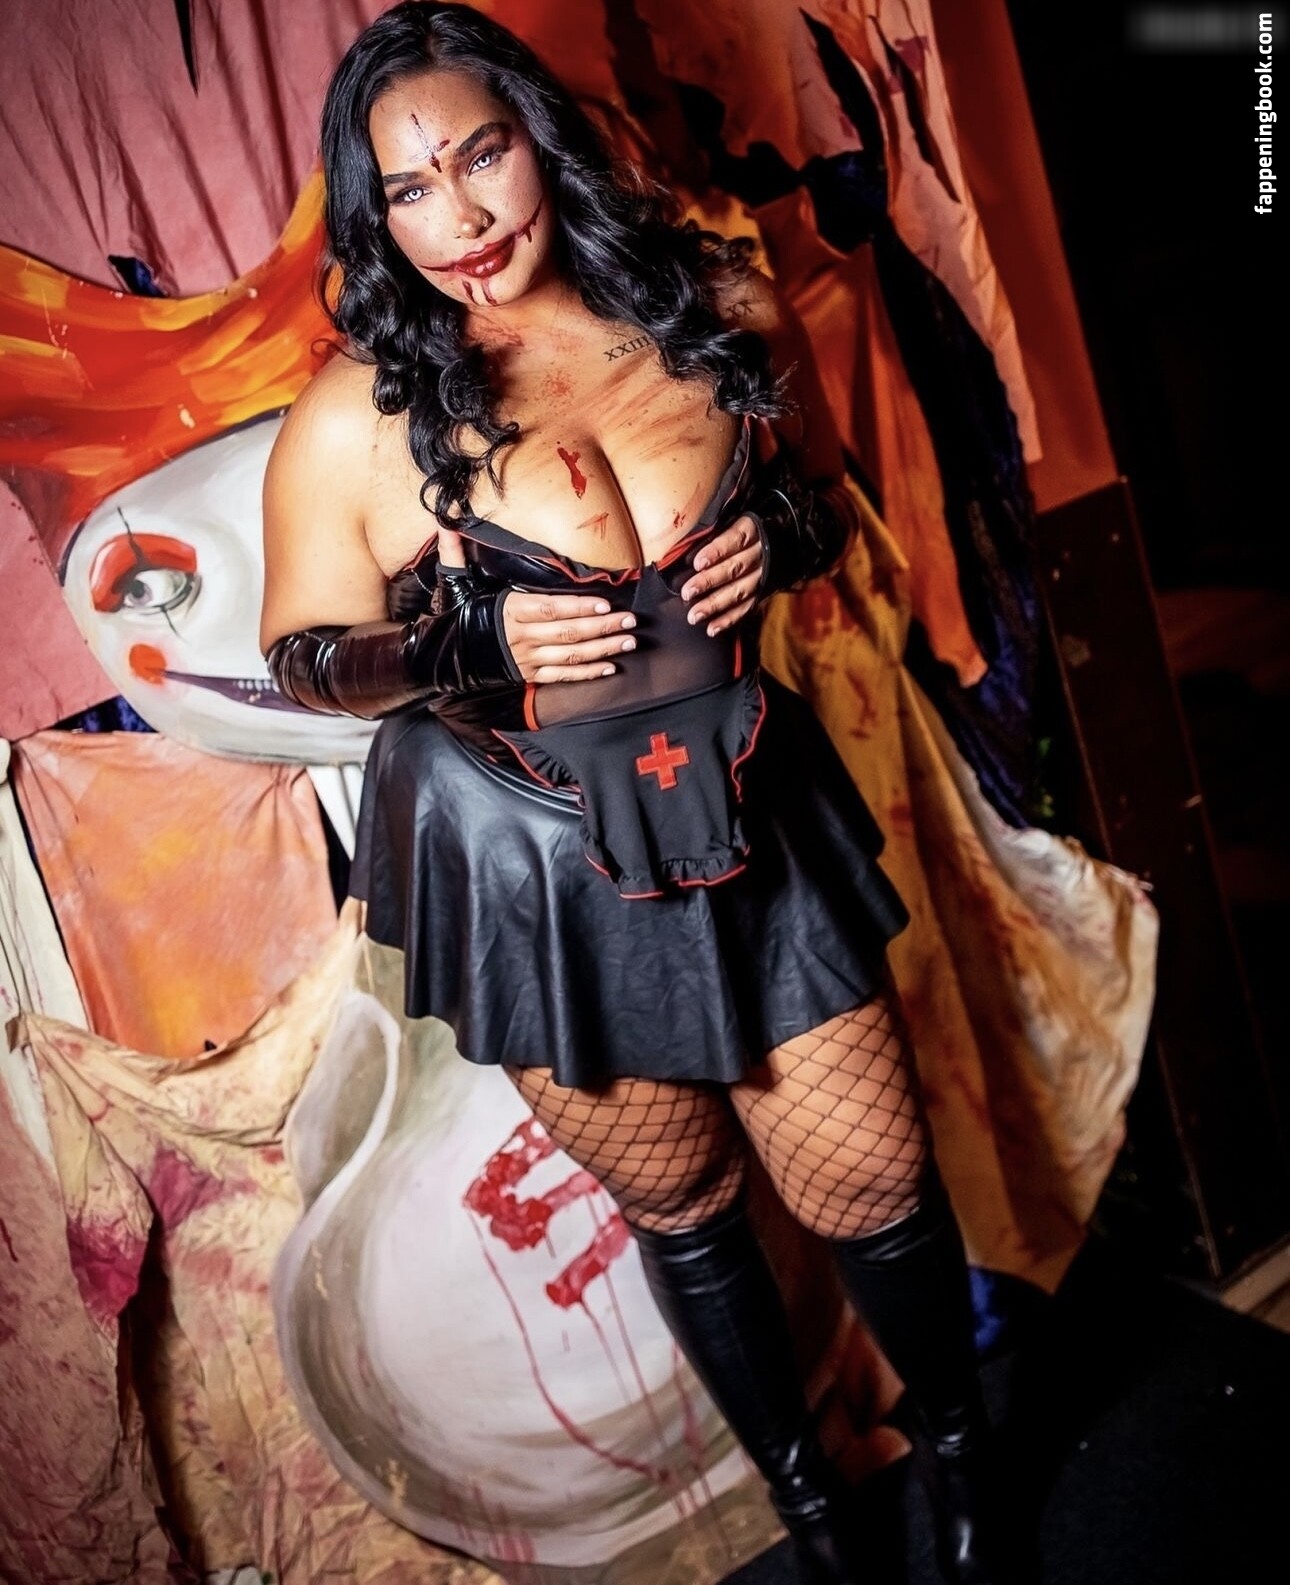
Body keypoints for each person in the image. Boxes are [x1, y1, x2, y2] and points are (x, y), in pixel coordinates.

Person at [261, 6, 1024, 1582]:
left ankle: (968, 1456)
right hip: (531, 853)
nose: (460, 218)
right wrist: (465, 638)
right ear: (374, 213)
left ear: (539, 139)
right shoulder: (359, 415)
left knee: (868, 1174)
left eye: (481, 156)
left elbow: (823, 495)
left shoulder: (718, 302)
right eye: (409, 189)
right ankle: (813, 1509)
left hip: (745, 803)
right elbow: (301, 658)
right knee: (683, 1200)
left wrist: (787, 541)